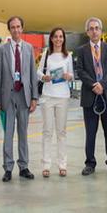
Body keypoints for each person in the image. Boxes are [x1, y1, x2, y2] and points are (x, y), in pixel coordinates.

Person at [0, 16, 39, 182]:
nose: (16, 30)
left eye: (18, 26)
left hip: (24, 96)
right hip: (7, 96)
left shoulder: (28, 48)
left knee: (23, 133)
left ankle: (24, 166)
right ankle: (7, 167)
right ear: (9, 30)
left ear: (22, 28)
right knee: (8, 134)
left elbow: (33, 75)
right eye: (13, 27)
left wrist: (34, 97)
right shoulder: (2, 50)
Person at [76, 17, 107, 176]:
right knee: (90, 132)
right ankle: (90, 163)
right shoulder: (81, 50)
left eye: (97, 28)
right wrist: (93, 85)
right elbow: (80, 71)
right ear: (87, 32)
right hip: (90, 96)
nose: (94, 31)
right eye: (91, 28)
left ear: (101, 31)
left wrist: (102, 84)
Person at [37, 27, 74, 178]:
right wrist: (43, 77)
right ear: (51, 39)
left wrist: (68, 76)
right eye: (56, 37)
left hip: (62, 97)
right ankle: (46, 164)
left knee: (61, 132)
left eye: (61, 37)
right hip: (47, 96)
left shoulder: (68, 56)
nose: (58, 39)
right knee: (47, 131)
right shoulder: (46, 54)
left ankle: (62, 164)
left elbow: (72, 74)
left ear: (64, 39)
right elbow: (38, 71)